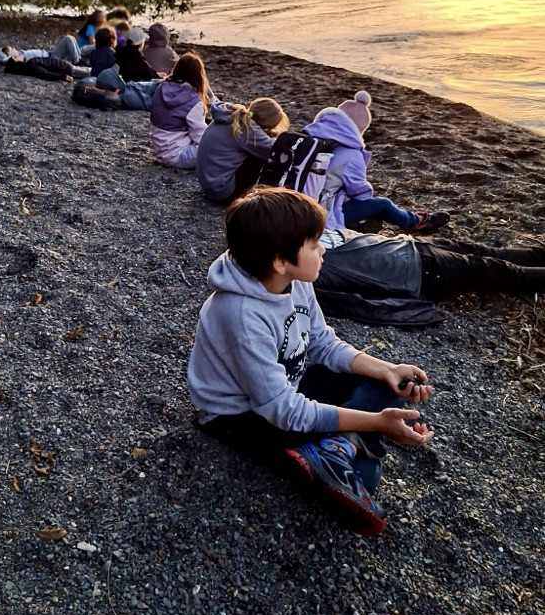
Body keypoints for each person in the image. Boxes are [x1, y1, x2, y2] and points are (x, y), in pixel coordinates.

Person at [188, 186, 433, 535]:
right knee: (367, 476)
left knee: (386, 385)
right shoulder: (240, 314)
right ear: (280, 260)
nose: (323, 251)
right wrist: (377, 424)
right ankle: (339, 449)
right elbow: (283, 410)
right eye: (314, 244)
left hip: (291, 382)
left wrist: (386, 369)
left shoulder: (294, 280)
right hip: (240, 415)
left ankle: (336, 447)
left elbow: (321, 343)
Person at [304, 91, 450, 232]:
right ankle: (416, 221)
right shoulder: (352, 155)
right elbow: (361, 194)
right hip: (319, 212)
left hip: (293, 203)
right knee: (383, 204)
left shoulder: (310, 139)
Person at [317, 227, 545, 301]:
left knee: (488, 252)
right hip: (421, 272)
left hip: (412, 245)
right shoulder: (307, 271)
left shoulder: (302, 232)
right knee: (497, 270)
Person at [195, 97, 289, 203]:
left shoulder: (232, 116)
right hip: (222, 192)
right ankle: (268, 193)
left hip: (209, 185)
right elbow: (274, 150)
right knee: (261, 157)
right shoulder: (248, 130)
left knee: (253, 151)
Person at [150, 52, 211, 169]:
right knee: (218, 147)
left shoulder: (160, 88)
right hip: (178, 155)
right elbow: (200, 137)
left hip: (160, 150)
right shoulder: (193, 102)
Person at [0, 33, 83, 66]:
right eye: (11, 49)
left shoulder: (20, 53)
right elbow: (4, 59)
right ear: (10, 54)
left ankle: (79, 58)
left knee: (71, 39)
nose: (14, 48)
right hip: (51, 58)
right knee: (68, 38)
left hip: (51, 54)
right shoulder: (18, 57)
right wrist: (4, 56)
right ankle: (77, 61)